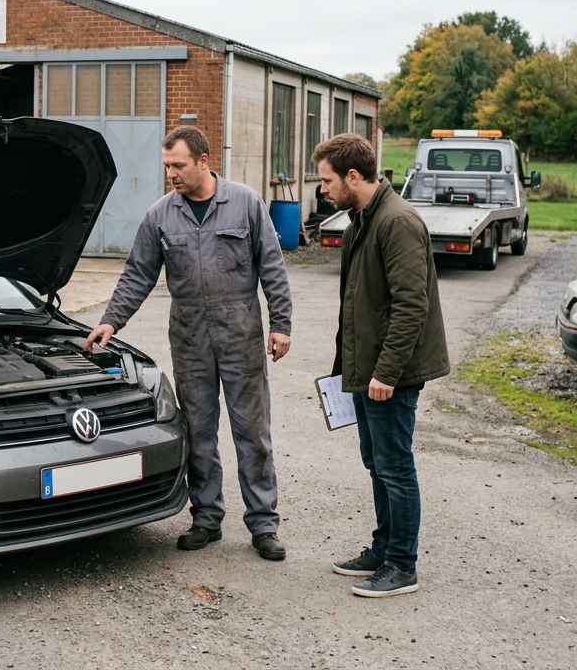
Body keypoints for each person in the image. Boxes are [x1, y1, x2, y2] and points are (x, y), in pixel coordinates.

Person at [84, 125, 293, 560]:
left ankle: (263, 525)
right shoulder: (160, 214)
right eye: (166, 167)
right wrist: (111, 322)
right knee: (198, 432)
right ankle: (206, 519)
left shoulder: (245, 204)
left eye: (178, 166)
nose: (171, 175)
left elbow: (272, 265)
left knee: (252, 433)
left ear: (203, 160)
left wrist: (281, 323)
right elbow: (138, 274)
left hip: (240, 331)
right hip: (189, 336)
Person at [312, 133, 449, 598]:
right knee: (377, 462)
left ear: (353, 176)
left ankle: (402, 565)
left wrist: (386, 374)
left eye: (327, 180)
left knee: (394, 465)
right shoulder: (361, 223)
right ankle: (384, 547)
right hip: (367, 369)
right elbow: (358, 304)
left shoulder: (397, 222)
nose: (323, 188)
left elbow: (412, 305)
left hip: (392, 373)